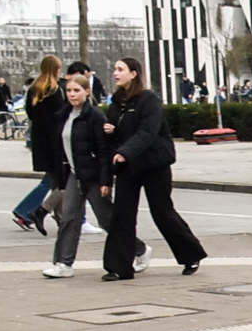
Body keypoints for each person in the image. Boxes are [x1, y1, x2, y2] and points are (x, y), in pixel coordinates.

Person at [100, 57, 205, 280]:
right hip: (128, 164)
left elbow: (147, 132)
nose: (116, 73)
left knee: (162, 211)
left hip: (154, 163)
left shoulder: (149, 100)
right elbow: (117, 133)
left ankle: (190, 254)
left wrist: (124, 151)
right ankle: (119, 267)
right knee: (122, 213)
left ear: (134, 73)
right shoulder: (116, 103)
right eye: (115, 69)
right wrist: (109, 132)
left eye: (120, 69)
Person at [42, 70, 108, 277]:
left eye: (76, 90)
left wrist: (106, 179)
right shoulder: (64, 116)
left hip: (94, 175)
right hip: (74, 174)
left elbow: (103, 150)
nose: (72, 94)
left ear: (87, 92)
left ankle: (138, 250)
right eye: (69, 91)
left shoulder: (95, 116)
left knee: (107, 219)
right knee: (69, 218)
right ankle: (63, 263)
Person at [13, 56, 67, 232]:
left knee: (55, 182)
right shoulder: (55, 91)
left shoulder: (34, 90)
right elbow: (60, 117)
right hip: (56, 142)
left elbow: (30, 114)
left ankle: (62, 220)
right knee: (67, 183)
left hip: (40, 142)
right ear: (55, 70)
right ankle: (42, 211)